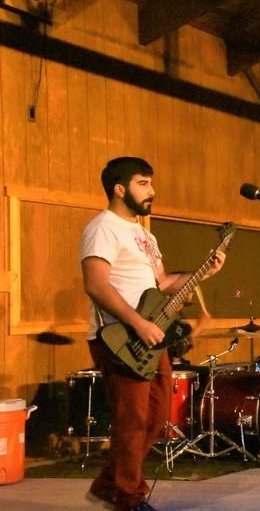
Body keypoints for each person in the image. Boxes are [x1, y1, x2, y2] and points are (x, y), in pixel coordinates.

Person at [80, 157, 225, 510]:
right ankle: (129, 499)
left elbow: (160, 284)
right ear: (120, 188)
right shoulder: (103, 228)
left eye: (150, 183)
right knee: (132, 421)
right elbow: (97, 286)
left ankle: (107, 485)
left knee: (158, 416)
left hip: (149, 335)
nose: (152, 191)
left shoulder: (146, 234)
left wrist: (201, 272)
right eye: (143, 183)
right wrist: (137, 322)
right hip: (119, 336)